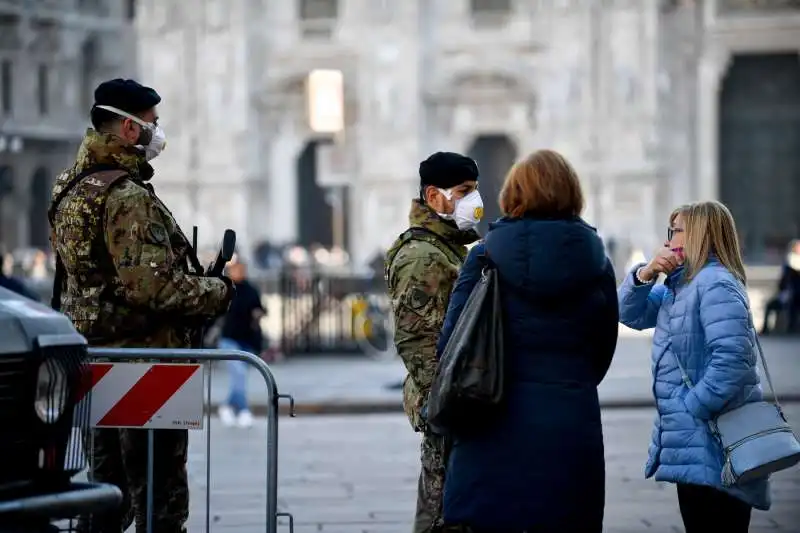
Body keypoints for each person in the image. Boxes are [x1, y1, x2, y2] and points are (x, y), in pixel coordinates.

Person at [49, 78, 233, 533]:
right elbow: (151, 289)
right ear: (129, 130)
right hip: (146, 362)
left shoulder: (69, 186)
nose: (157, 133)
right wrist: (218, 292)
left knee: (106, 497)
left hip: (98, 357)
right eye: (152, 124)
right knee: (160, 504)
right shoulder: (126, 196)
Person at [436, 149, 618, 532]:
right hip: (570, 427)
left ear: (513, 195)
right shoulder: (597, 262)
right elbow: (603, 351)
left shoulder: (484, 257)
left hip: (490, 423)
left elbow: (450, 346)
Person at [618, 200, 771, 533]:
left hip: (716, 441)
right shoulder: (681, 286)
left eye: (677, 230)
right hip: (695, 444)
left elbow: (732, 360)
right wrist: (646, 274)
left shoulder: (714, 284)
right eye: (669, 230)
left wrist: (693, 407)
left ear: (701, 234)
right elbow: (629, 313)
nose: (669, 238)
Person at [384, 151, 483, 533]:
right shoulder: (421, 255)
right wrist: (444, 402)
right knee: (442, 511)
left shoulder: (443, 247)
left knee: (451, 504)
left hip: (454, 395)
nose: (474, 201)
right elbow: (416, 340)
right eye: (464, 191)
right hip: (446, 401)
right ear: (434, 196)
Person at [217, 258, 266, 428]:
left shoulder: (251, 290)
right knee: (239, 375)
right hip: (229, 339)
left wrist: (257, 314)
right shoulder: (225, 288)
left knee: (240, 378)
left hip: (247, 340)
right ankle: (244, 410)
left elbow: (260, 308)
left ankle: (227, 406)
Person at [761, 239, 800, 334]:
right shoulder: (789, 263)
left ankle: (792, 329)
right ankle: (766, 329)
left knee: (792, 305)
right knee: (769, 305)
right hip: (788, 294)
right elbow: (783, 283)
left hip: (796, 295)